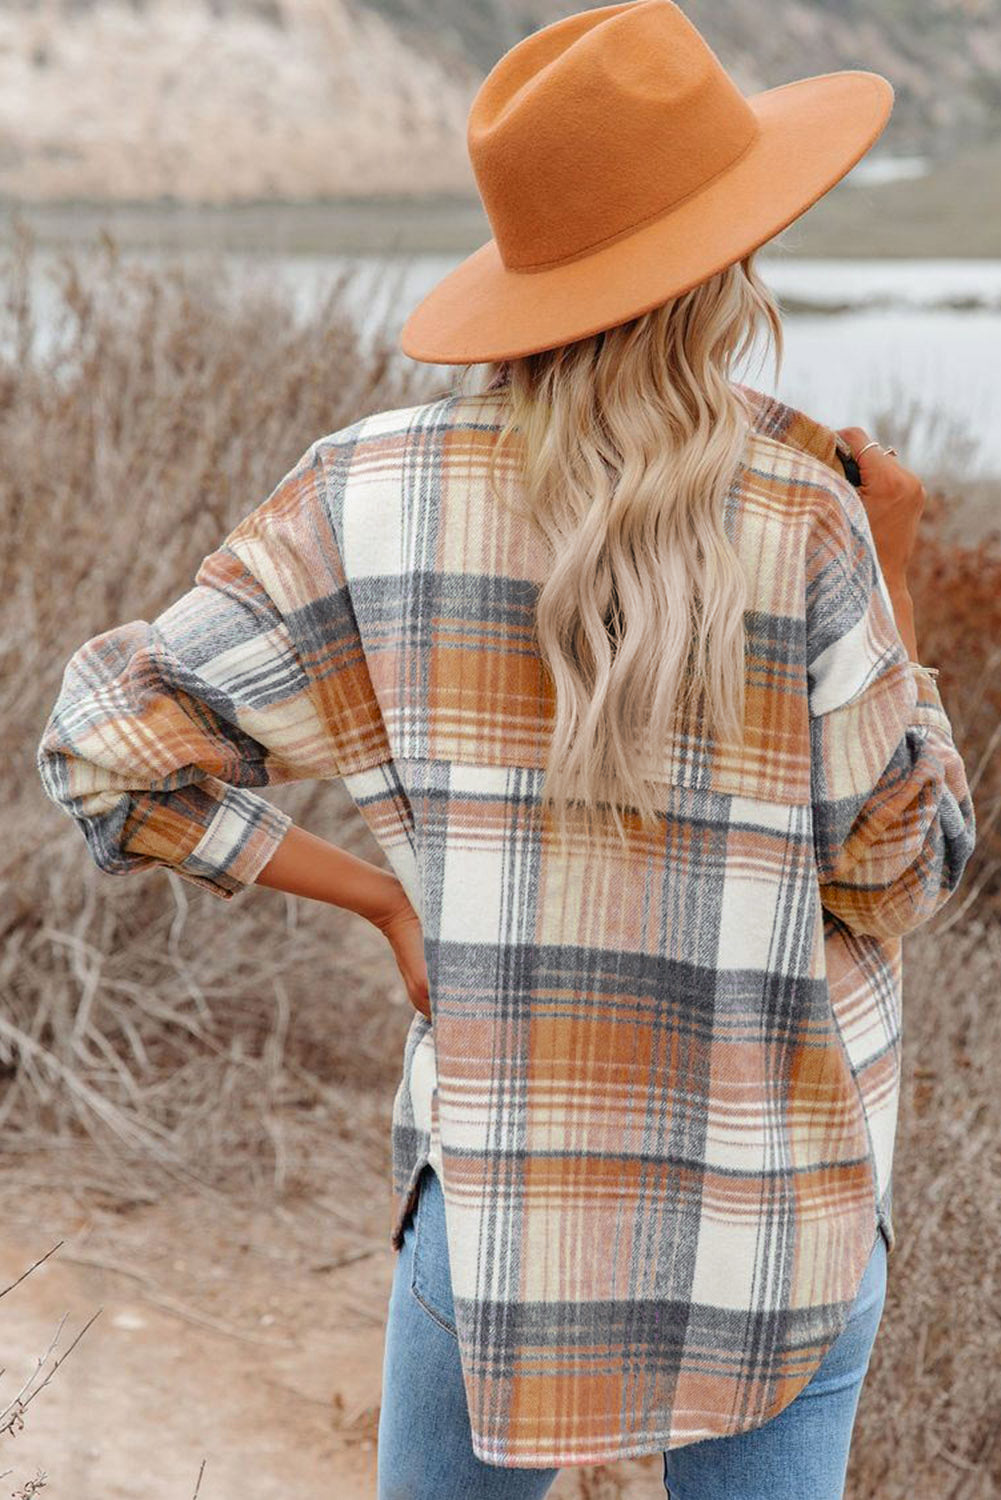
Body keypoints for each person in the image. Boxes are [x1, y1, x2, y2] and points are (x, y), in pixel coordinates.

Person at [35, 3, 977, 1497]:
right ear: (724, 259)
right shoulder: (810, 519)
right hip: (775, 1221)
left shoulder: (364, 495)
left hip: (498, 1210)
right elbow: (889, 877)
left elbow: (104, 752)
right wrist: (901, 575)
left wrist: (383, 897)